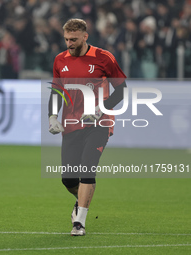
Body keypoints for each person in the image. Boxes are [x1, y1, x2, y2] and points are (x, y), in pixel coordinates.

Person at [48, 18, 127, 236]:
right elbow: (57, 91)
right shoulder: (59, 60)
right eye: (66, 39)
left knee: (87, 169)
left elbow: (121, 90)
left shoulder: (104, 57)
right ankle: (80, 201)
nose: (69, 44)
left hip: (99, 123)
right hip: (72, 125)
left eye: (73, 39)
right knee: (68, 179)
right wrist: (52, 116)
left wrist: (101, 110)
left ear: (85, 36)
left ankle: (79, 223)